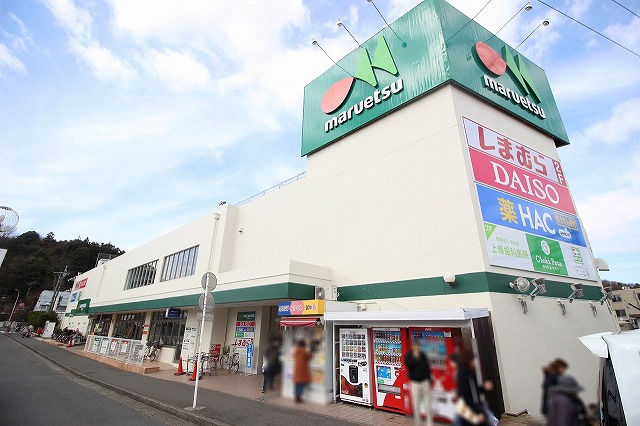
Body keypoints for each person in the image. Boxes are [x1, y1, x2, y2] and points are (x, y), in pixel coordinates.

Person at [455, 350, 494, 426]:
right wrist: (477, 413)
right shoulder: (466, 375)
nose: (475, 362)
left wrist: (484, 388)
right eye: (473, 359)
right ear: (468, 360)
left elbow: (474, 390)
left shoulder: (468, 373)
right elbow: (468, 396)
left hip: (470, 410)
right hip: (471, 411)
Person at [404, 340, 433, 426]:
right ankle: (418, 422)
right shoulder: (409, 355)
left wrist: (429, 380)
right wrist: (416, 357)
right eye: (415, 346)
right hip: (414, 383)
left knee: (427, 403)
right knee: (415, 403)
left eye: (418, 346)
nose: (417, 348)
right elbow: (408, 364)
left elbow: (427, 367)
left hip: (424, 382)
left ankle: (429, 422)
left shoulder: (423, 355)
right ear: (413, 347)